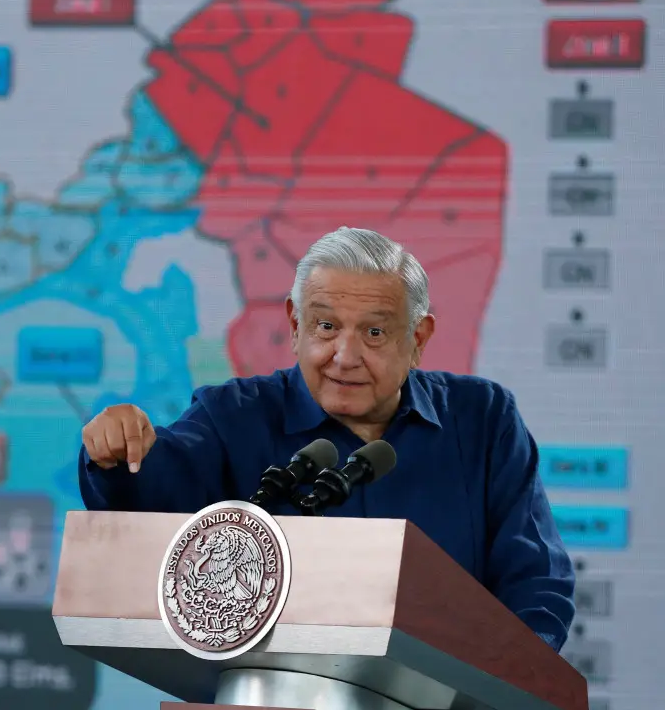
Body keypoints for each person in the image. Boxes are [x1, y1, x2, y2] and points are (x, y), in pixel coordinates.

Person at [78, 226, 575, 652]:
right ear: (295, 326)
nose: (344, 355)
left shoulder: (482, 419)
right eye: (325, 326)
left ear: (418, 339)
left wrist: (497, 685)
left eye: (375, 333)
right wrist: (118, 450)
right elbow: (152, 495)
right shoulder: (232, 417)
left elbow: (536, 586)